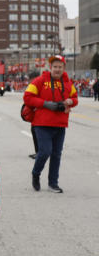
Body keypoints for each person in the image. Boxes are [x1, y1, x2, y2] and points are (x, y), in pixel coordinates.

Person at [24, 54, 78, 193]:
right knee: (45, 152)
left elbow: (75, 98)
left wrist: (71, 102)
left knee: (56, 155)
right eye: (55, 67)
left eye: (60, 67)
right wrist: (45, 104)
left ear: (64, 68)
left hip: (60, 125)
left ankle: (53, 183)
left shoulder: (68, 83)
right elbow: (27, 97)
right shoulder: (40, 80)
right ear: (50, 67)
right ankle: (36, 174)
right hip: (42, 124)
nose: (57, 69)